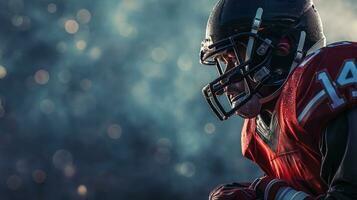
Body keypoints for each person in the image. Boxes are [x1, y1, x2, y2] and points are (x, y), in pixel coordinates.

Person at [199, 0, 357, 199]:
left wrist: (275, 194)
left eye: (235, 57)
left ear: (282, 49)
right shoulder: (255, 134)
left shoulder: (325, 77)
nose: (227, 81)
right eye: (224, 61)